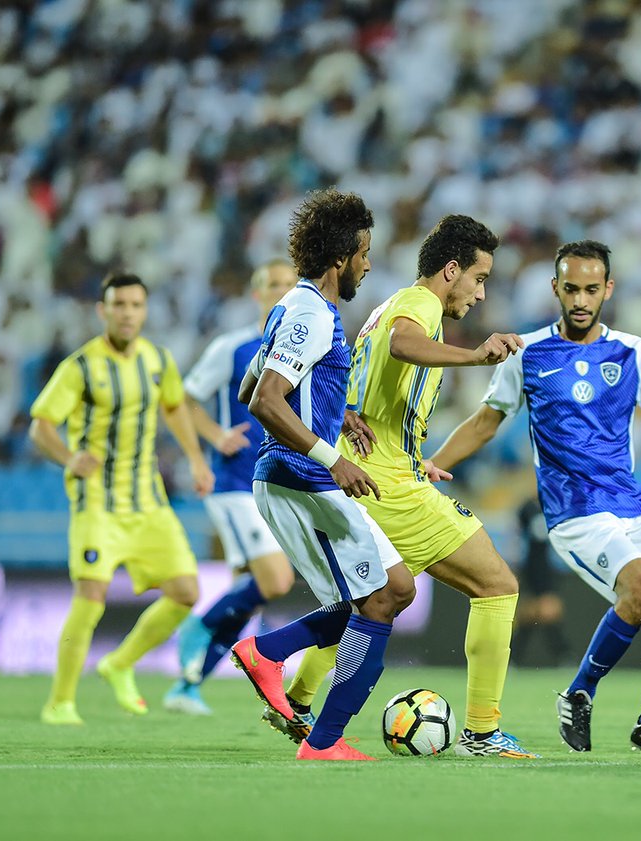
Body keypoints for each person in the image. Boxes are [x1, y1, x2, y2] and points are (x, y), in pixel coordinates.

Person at [430, 239, 641, 753]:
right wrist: (430, 468)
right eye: (571, 289)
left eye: (591, 289)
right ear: (555, 288)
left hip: (631, 501)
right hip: (573, 511)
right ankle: (579, 692)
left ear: (607, 289)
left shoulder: (635, 352)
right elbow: (484, 423)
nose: (581, 300)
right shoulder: (527, 352)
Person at [337, 213, 537, 759]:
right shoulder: (419, 306)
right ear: (452, 270)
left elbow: (379, 387)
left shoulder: (388, 304)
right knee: (497, 584)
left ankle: (303, 701)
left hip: (377, 472)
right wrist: (474, 355)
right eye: (479, 278)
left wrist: (414, 456)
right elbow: (403, 345)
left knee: (373, 600)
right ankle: (482, 732)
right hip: (387, 485)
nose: (480, 292)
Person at [228, 187, 415, 761]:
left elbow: (252, 388)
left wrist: (339, 414)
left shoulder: (293, 306)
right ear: (341, 258)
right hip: (299, 479)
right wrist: (333, 456)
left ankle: (268, 652)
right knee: (379, 600)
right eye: (363, 252)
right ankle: (324, 742)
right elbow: (264, 400)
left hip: (301, 475)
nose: (368, 262)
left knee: (395, 588)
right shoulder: (310, 314)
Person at [31, 272, 213, 724]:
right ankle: (61, 702)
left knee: (186, 591)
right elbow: (41, 426)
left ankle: (119, 663)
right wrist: (69, 458)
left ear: (144, 311)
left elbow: (173, 406)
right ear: (103, 310)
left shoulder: (157, 360)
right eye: (119, 305)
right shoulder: (81, 366)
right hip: (97, 502)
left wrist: (195, 458)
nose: (127, 313)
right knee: (91, 594)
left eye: (135, 305)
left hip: (147, 500)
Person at [163, 259, 298, 716]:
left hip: (278, 486)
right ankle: (198, 627)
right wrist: (212, 440)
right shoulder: (235, 346)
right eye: (273, 285)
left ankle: (189, 683)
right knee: (276, 579)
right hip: (237, 482)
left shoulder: (302, 346)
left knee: (252, 592)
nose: (282, 292)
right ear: (257, 294)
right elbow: (184, 398)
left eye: (289, 285)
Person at [511, 495, 569, 667]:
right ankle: (563, 655)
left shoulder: (554, 504)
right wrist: (513, 564)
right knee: (539, 612)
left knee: (538, 613)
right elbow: (515, 537)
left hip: (548, 566)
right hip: (531, 566)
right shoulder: (527, 508)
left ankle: (514, 658)